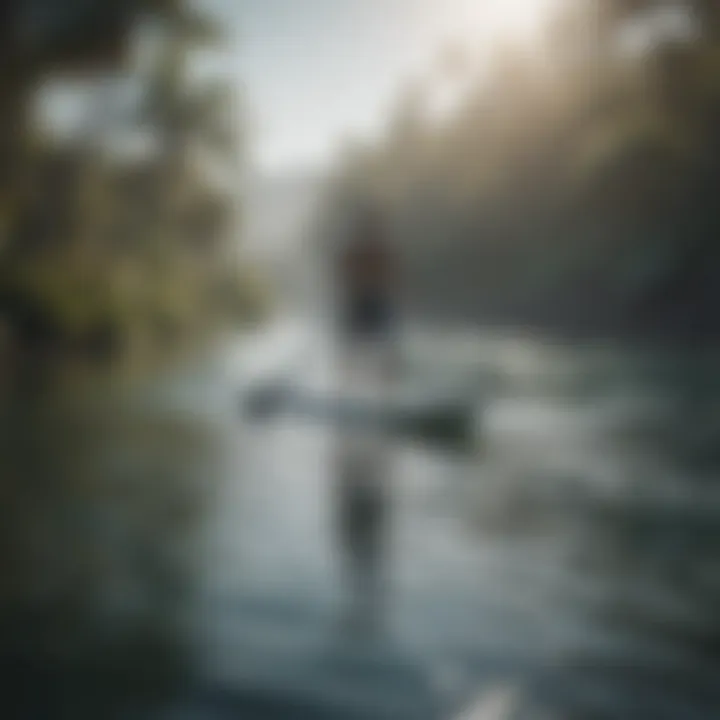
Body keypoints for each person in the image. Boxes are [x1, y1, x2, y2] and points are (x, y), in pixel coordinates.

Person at [332, 202, 399, 628]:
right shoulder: (367, 253)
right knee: (363, 360)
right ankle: (365, 398)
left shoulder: (368, 253)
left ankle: (370, 398)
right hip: (366, 310)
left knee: (368, 358)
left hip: (368, 309)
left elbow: (378, 284)